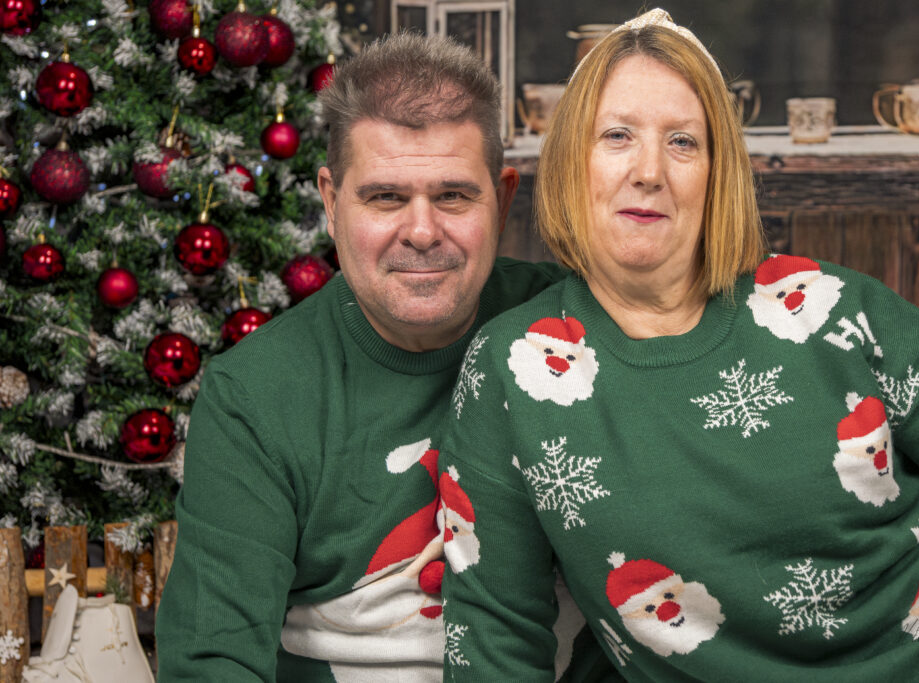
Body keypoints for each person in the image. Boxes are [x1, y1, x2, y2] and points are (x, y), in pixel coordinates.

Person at [437, 9, 919, 680]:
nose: (649, 170)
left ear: (717, 173)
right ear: (572, 160)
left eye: (683, 142)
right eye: (618, 135)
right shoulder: (512, 368)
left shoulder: (828, 307)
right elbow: (494, 636)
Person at [154, 33, 615, 682]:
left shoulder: (581, 331)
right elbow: (212, 661)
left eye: (454, 196)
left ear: (504, 197)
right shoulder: (254, 396)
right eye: (385, 197)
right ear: (332, 202)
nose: (422, 232)